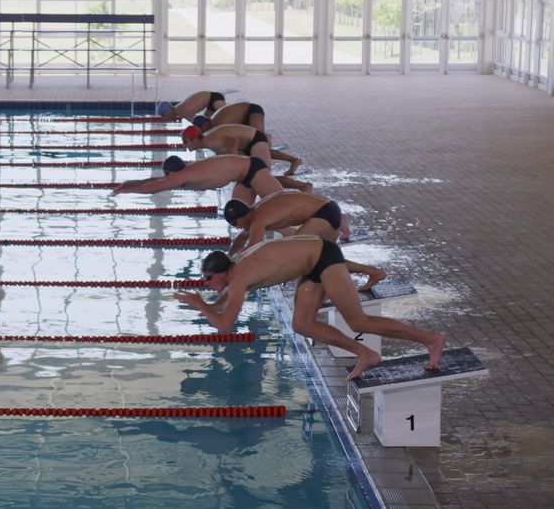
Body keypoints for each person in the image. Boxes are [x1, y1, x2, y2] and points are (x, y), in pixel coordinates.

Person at [174, 237, 446, 380]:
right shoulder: (235, 273)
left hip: (324, 258)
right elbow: (224, 302)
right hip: (311, 264)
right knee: (301, 324)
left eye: (208, 279)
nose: (206, 284)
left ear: (221, 274)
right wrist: (208, 304)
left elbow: (224, 326)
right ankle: (366, 353)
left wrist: (200, 305)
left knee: (359, 322)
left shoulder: (239, 278)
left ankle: (430, 339)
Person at [180, 123, 311, 191]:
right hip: (249, 142)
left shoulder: (210, 140)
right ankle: (294, 163)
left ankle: (302, 186)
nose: (184, 145)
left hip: (254, 140)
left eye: (185, 141)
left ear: (194, 139)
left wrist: (231, 164)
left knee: (263, 175)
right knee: (253, 173)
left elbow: (233, 141)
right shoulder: (208, 140)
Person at [111, 154, 284, 204]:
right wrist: (131, 183)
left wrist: (127, 190)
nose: (166, 179)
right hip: (244, 178)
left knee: (280, 212)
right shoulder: (185, 170)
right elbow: (157, 181)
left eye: (167, 175)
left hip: (253, 169)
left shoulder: (180, 176)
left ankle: (307, 242)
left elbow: (154, 188)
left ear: (171, 172)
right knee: (245, 219)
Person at [190, 103, 304, 175]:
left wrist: (230, 162)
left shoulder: (218, 123)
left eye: (202, 130)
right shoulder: (213, 123)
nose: (204, 133)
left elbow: (232, 142)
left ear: (204, 124)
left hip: (252, 111)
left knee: (259, 144)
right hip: (245, 118)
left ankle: (293, 160)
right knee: (253, 148)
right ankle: (292, 160)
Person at [223, 191, 352, 253]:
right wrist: (229, 258)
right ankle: (341, 220)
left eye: (235, 225)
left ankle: (371, 272)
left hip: (325, 214)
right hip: (329, 209)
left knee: (294, 251)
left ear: (238, 219)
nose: (237, 228)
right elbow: (242, 237)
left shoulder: (258, 219)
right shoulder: (257, 211)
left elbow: (251, 251)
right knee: (325, 260)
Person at [156, 91, 227, 123]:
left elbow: (197, 125)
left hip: (215, 99)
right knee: (209, 123)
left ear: (168, 111)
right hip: (210, 102)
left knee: (225, 120)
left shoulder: (181, 111)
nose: (163, 118)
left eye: (163, 115)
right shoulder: (178, 108)